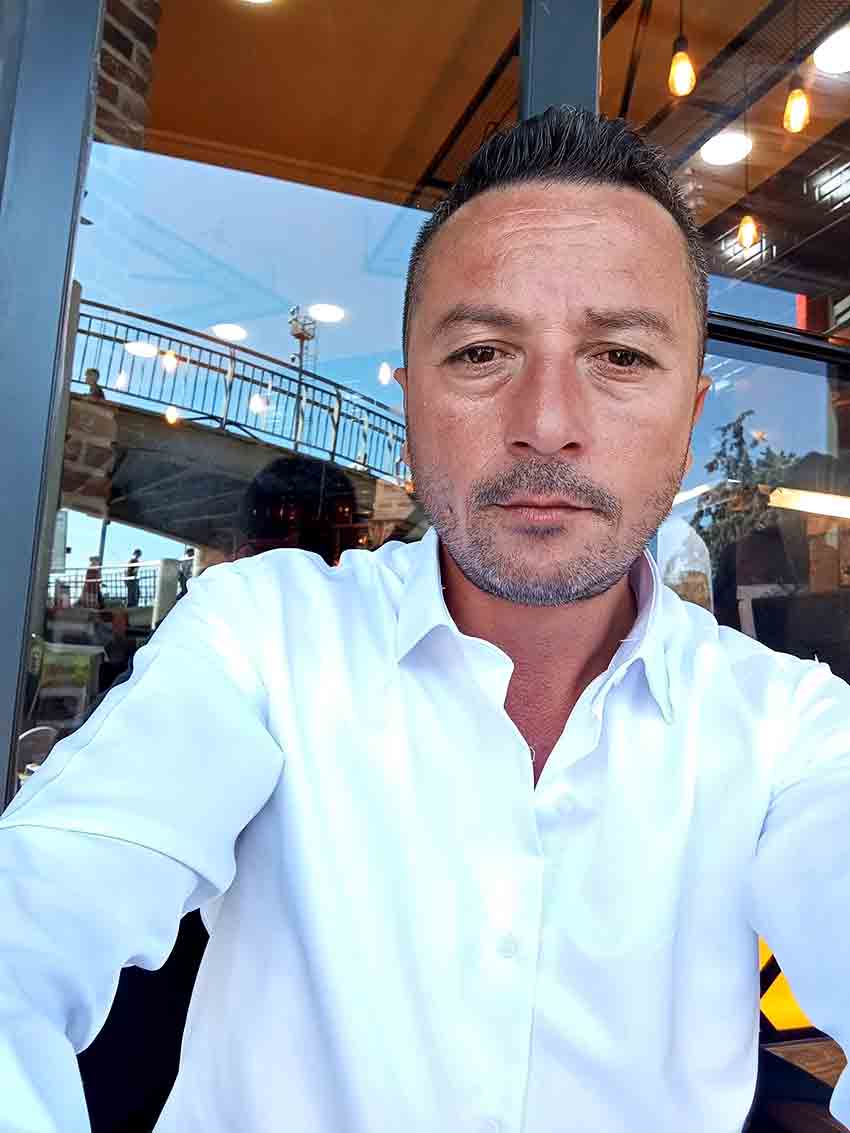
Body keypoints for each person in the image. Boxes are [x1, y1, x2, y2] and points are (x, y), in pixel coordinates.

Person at [1, 107, 849, 1133]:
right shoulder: (261, 643)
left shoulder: (788, 730)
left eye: (620, 357)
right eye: (483, 351)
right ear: (407, 404)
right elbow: (26, 924)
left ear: (691, 414)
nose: (548, 423)